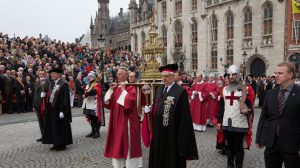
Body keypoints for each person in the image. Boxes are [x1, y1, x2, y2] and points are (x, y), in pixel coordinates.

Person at [142, 64, 198, 168]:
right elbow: (157, 106)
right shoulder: (159, 89)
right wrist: (150, 110)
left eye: (166, 76)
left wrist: (182, 137)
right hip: (158, 131)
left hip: (172, 134)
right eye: (162, 76)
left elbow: (184, 117)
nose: (163, 78)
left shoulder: (180, 92)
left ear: (173, 76)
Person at [256, 63, 300, 168]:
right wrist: (259, 138)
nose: (276, 75)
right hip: (272, 143)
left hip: (292, 144)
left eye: (280, 73)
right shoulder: (270, 93)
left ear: (290, 75)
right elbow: (264, 117)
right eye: (276, 73)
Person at [104, 67, 142, 168]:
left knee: (127, 141)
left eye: (120, 74)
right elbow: (108, 103)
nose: (118, 76)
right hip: (116, 119)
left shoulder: (131, 88)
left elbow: (129, 103)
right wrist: (111, 90)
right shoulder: (116, 88)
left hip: (126, 119)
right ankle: (120, 164)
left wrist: (124, 90)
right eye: (118, 74)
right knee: (118, 141)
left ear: (126, 75)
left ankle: (130, 164)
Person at [217, 65, 254, 168]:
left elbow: (250, 105)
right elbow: (221, 107)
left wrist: (247, 110)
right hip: (227, 121)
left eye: (233, 74)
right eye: (229, 75)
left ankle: (238, 165)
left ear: (238, 75)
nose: (231, 76)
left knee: (238, 147)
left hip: (240, 122)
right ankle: (230, 164)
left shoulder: (244, 88)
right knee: (229, 146)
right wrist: (219, 121)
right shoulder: (224, 89)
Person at [42, 68, 73, 151]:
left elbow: (65, 98)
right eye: (51, 74)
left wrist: (63, 111)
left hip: (59, 109)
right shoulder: (52, 84)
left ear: (59, 74)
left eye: (54, 73)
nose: (52, 75)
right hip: (52, 109)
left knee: (60, 127)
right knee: (54, 126)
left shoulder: (63, 84)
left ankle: (62, 144)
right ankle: (56, 143)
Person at [82, 71, 104, 139]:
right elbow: (87, 91)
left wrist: (87, 94)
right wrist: (86, 94)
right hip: (88, 103)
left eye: (89, 76)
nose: (88, 78)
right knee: (91, 117)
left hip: (94, 104)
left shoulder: (97, 84)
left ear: (92, 77)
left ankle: (97, 132)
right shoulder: (88, 84)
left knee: (95, 118)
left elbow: (96, 91)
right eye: (88, 76)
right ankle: (93, 131)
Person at [32, 69, 50, 142]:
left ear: (45, 75)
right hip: (37, 105)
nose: (41, 75)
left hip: (44, 106)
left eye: (43, 74)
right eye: (40, 74)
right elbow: (35, 94)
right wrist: (33, 105)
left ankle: (47, 136)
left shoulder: (49, 83)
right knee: (40, 122)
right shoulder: (37, 83)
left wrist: (45, 95)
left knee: (45, 121)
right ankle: (43, 135)